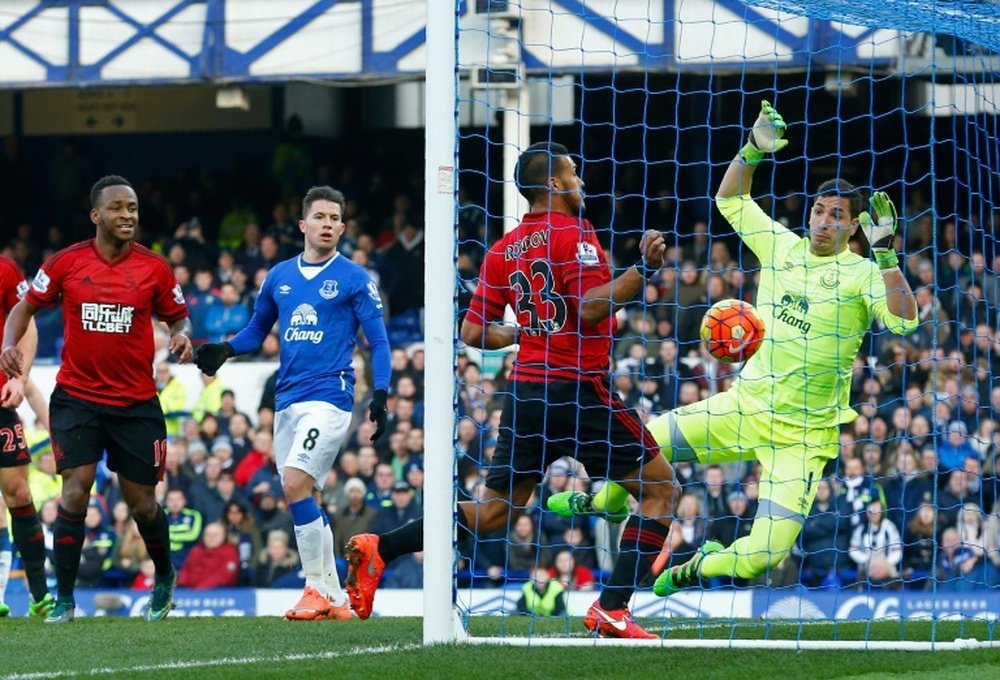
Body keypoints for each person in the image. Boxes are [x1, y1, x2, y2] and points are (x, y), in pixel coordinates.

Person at [547, 101, 918, 597]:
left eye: (837, 216)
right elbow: (730, 201)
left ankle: (697, 567)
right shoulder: (782, 246)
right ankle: (606, 501)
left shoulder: (864, 274)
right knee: (644, 440)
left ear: (854, 227)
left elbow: (905, 320)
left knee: (762, 558)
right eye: (819, 210)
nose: (824, 221)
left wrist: (888, 252)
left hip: (802, 439)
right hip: (743, 407)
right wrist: (754, 148)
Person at [343, 142, 676, 639]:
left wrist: (525, 333)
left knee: (492, 513)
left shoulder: (501, 250)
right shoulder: (575, 232)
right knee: (662, 491)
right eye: (575, 174)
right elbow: (588, 307)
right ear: (556, 184)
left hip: (524, 397)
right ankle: (612, 607)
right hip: (577, 390)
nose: (581, 182)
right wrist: (642, 270)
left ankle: (381, 548)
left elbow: (475, 334)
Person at [0, 175, 194, 623]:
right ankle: (64, 600)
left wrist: (182, 338)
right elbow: (23, 307)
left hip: (135, 403)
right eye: (118, 208)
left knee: (143, 504)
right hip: (77, 398)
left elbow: (179, 318)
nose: (127, 216)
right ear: (96, 215)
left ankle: (164, 577)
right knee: (74, 493)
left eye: (133, 208)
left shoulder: (154, 268)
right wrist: (9, 343)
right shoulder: (66, 263)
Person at [193, 185, 390, 622]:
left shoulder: (356, 278)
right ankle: (338, 601)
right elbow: (255, 330)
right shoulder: (279, 277)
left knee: (295, 483)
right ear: (303, 224)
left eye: (334, 218)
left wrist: (382, 392)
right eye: (319, 217)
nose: (327, 224)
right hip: (287, 400)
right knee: (304, 494)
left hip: (330, 396)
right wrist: (224, 348)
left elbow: (378, 340)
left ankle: (315, 587)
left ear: (342, 227)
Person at [0, 255, 53, 617]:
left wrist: (19, 377)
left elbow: (27, 321)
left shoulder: (5, 270)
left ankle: (39, 595)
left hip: (0, 399)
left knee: (18, 493)